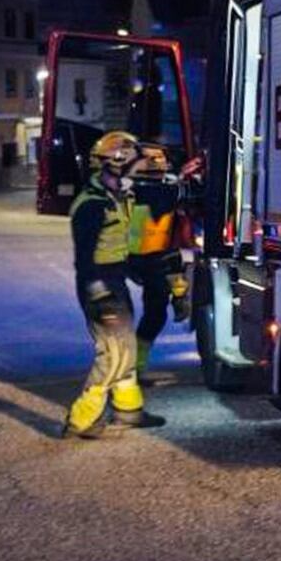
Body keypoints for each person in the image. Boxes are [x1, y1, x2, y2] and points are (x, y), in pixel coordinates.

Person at [63, 131, 165, 439]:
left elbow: (160, 199)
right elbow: (84, 259)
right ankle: (81, 419)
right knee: (113, 354)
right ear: (117, 164)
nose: (139, 167)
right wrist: (99, 294)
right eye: (134, 161)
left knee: (127, 348)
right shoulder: (91, 206)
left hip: (115, 280)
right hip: (99, 285)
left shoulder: (121, 196)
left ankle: (128, 411)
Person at [125, 143, 191, 386]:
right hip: (146, 259)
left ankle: (181, 298)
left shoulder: (127, 188)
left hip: (141, 258)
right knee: (154, 314)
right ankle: (132, 368)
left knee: (154, 312)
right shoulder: (162, 191)